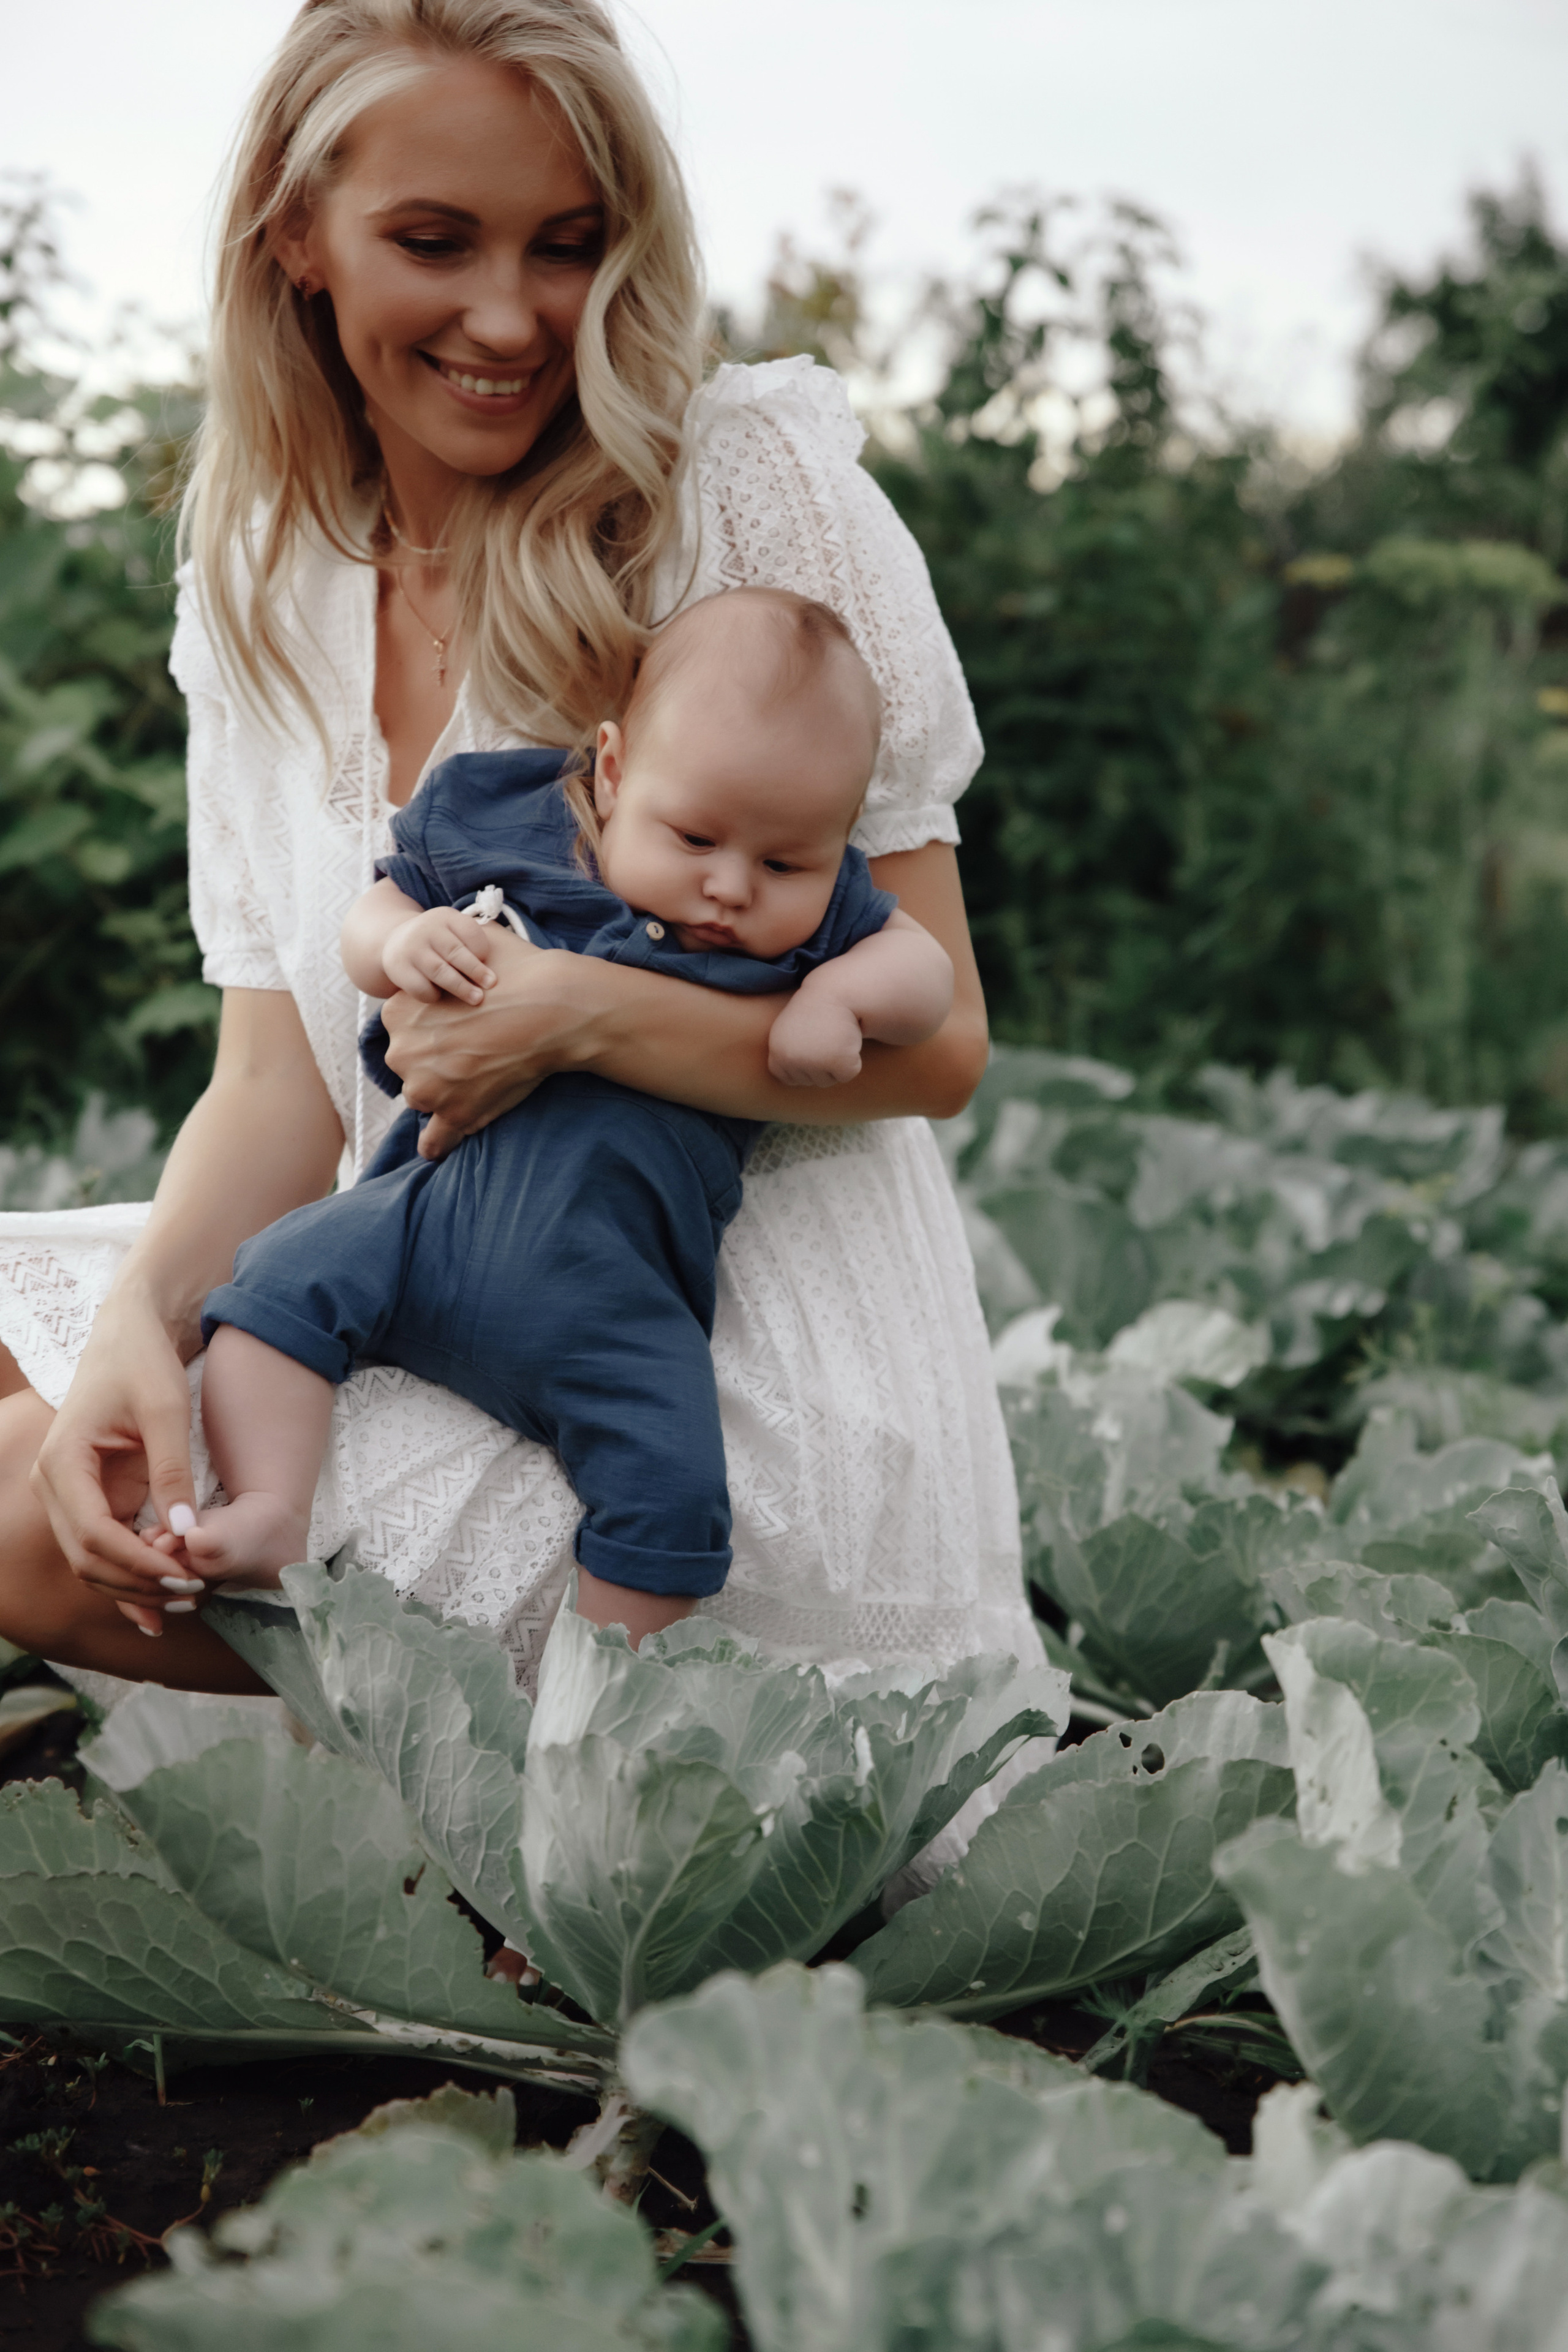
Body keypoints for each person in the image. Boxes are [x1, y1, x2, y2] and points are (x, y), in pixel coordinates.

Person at [0, 0, 1042, 1701]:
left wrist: (577, 1014)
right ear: (297, 234)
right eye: (433, 242)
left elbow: (942, 1051)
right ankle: (435, 1782)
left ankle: (594, 1763)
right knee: (42, 1388)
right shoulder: (261, 569)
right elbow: (274, 1083)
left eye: (565, 246)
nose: (509, 317)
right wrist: (139, 1318)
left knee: (16, 1508)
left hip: (709, 1354)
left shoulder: (741, 495)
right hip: (416, 1253)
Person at [167, 587, 953, 1636]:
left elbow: (928, 976)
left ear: (837, 841)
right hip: (423, 1218)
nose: (729, 887)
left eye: (782, 864)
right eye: (695, 836)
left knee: (674, 1489)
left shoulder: (828, 924)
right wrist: (401, 941)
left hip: (616, 1294)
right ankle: (271, 1505)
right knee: (274, 1283)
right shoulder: (523, 826)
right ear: (614, 773)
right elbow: (375, 909)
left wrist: (839, 996)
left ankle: (603, 1679)